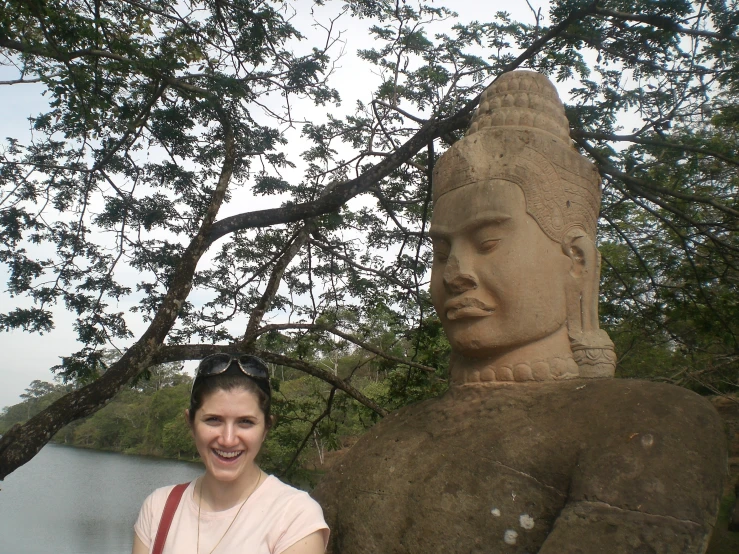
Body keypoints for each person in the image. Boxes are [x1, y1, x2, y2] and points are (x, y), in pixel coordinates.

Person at [132, 353, 329, 554]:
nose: (228, 439)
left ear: (266, 429)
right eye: (213, 420)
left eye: (246, 422)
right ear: (190, 423)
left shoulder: (294, 518)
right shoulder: (159, 508)